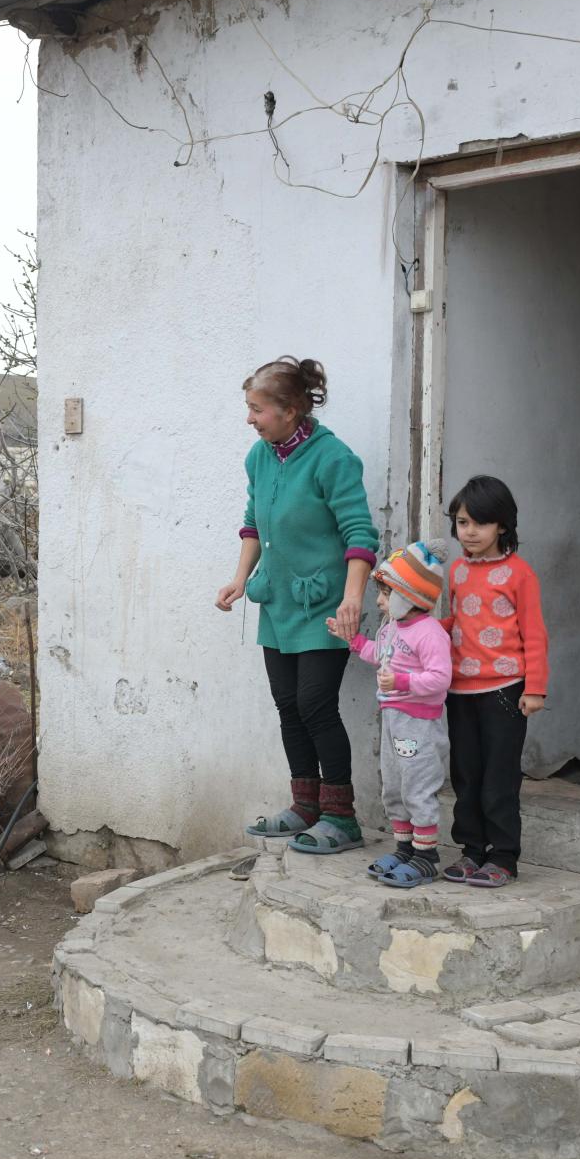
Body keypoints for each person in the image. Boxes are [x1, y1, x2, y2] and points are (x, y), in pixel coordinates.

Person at [215, 356, 380, 862]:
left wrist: (353, 598)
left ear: (289, 410)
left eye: (257, 409)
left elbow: (359, 534)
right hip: (278, 602)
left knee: (315, 705)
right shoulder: (260, 458)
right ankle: (305, 806)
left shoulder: (334, 459)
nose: (250, 419)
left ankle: (342, 817)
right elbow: (252, 524)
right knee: (288, 704)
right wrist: (241, 579)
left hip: (326, 606)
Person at [438, 476, 549, 888]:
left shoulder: (519, 574)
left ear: (502, 525)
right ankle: (470, 851)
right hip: (459, 690)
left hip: (505, 692)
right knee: (465, 774)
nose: (469, 532)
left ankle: (503, 856)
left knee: (498, 777)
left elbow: (534, 632)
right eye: (463, 522)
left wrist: (534, 687)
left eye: (479, 524)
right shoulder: (457, 571)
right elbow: (456, 623)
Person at [338, 541, 452, 888]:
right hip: (393, 719)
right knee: (395, 786)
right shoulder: (391, 627)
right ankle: (404, 849)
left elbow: (440, 678)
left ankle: (426, 856)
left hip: (418, 723)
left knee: (418, 787)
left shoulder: (430, 633)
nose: (379, 601)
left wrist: (402, 680)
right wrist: (355, 641)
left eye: (386, 593)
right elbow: (381, 653)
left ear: (409, 593)